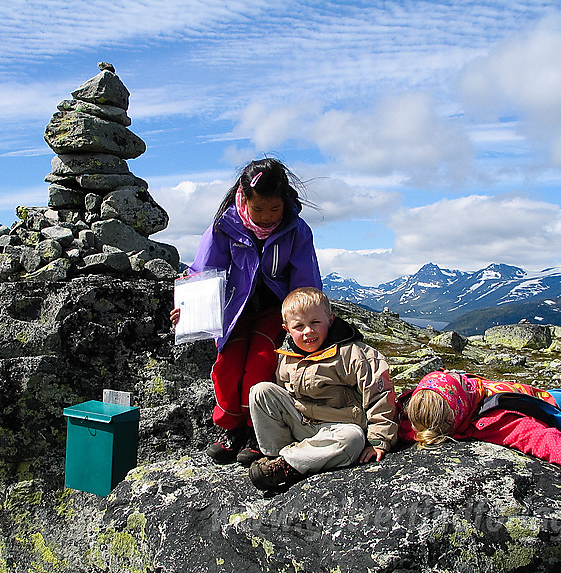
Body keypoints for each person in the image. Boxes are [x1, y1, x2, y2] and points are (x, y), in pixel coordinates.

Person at [170, 158, 321, 466]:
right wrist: (186, 308)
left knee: (261, 365)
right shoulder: (225, 226)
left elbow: (306, 282)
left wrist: (307, 318)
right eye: (259, 210)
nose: (267, 218)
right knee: (227, 367)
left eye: (274, 210)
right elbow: (203, 270)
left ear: (285, 202)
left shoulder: (296, 230)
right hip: (233, 311)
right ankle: (231, 430)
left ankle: (257, 432)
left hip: (275, 313)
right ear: (244, 198)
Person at [401, 371, 561, 503]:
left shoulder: (418, 415)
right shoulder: (499, 422)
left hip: (536, 400)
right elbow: (552, 445)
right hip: (559, 425)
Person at [247, 287, 398, 491]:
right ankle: (276, 457)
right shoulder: (287, 356)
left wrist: (378, 440)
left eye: (315, 323)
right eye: (299, 326)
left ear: (330, 319)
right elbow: (283, 393)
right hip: (302, 424)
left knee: (352, 441)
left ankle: (289, 464)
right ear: (286, 329)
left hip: (341, 427)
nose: (308, 331)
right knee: (261, 391)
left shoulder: (353, 353)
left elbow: (379, 395)